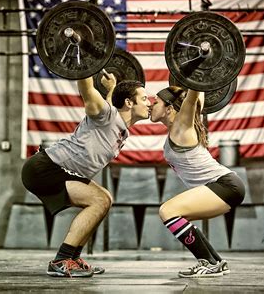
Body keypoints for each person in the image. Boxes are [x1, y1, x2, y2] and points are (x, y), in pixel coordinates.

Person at [21, 74, 150, 278]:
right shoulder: (107, 114)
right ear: (129, 102)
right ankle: (61, 260)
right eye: (144, 98)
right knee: (98, 201)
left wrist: (112, 88)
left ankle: (72, 258)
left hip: (62, 171)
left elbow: (107, 108)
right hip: (46, 168)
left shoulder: (115, 122)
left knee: (105, 198)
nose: (149, 103)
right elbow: (88, 93)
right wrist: (85, 69)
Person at [150, 85, 245, 278]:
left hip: (225, 185)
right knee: (180, 217)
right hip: (225, 186)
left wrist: (196, 76)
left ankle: (207, 262)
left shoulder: (182, 126)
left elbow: (194, 95)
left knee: (168, 211)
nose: (151, 106)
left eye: (155, 102)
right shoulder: (179, 127)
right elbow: (198, 94)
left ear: (169, 108)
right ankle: (217, 262)